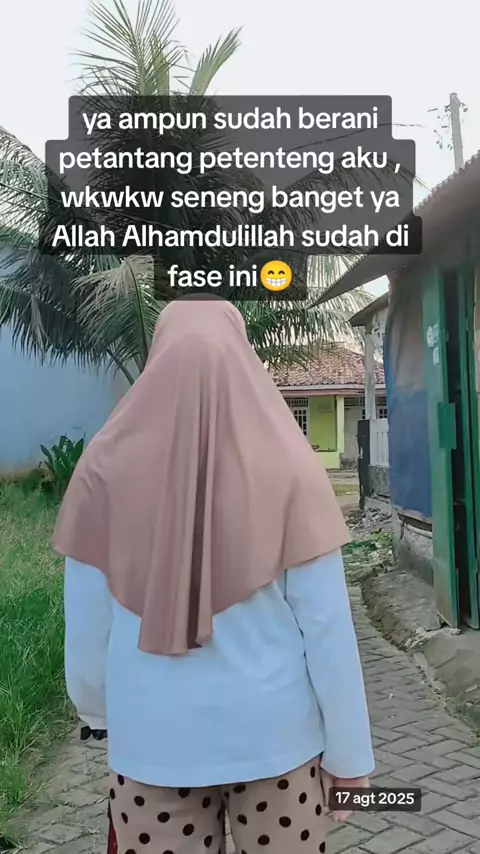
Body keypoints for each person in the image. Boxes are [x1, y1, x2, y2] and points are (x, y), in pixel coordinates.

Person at [54, 297, 374, 854]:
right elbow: (327, 628)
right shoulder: (292, 467)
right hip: (277, 743)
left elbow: (85, 627)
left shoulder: (101, 470)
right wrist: (349, 759)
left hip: (152, 746)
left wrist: (100, 715)